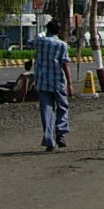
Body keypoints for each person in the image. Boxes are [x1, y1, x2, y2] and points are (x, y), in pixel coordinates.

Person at [31, 19, 72, 152]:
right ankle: (60, 133)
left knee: (46, 110)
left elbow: (30, 42)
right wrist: (70, 83)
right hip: (57, 81)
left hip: (42, 81)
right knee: (62, 106)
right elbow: (65, 64)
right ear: (59, 31)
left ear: (48, 29)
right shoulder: (62, 45)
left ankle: (49, 140)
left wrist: (42, 33)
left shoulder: (39, 42)